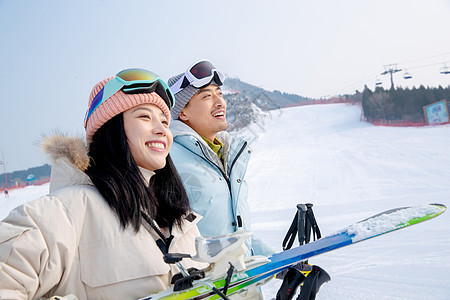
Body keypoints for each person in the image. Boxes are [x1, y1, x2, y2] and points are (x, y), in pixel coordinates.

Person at [0, 69, 206, 300]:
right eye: (145, 117)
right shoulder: (66, 211)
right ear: (111, 128)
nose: (162, 130)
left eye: (165, 121)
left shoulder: (181, 219)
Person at [167, 60, 274, 257]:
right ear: (183, 112)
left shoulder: (226, 155)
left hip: (239, 282)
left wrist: (280, 263)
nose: (219, 102)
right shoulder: (167, 158)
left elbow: (236, 234)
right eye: (207, 96)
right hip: (207, 284)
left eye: (220, 94)